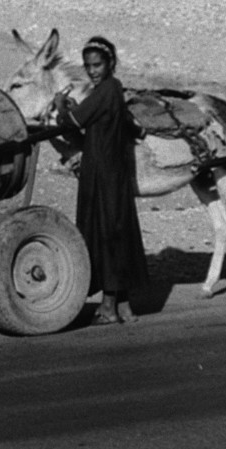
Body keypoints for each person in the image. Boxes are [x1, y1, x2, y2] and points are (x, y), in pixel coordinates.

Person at [54, 36, 149, 324]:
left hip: (102, 174)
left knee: (105, 234)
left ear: (110, 64)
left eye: (97, 65)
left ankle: (108, 306)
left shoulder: (106, 90)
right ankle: (124, 306)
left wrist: (61, 106)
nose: (92, 71)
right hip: (113, 173)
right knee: (116, 232)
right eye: (88, 66)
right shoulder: (111, 91)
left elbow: (73, 122)